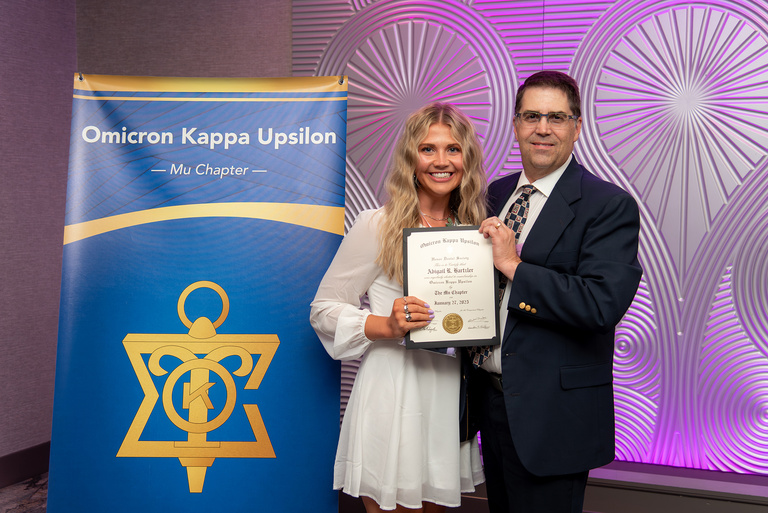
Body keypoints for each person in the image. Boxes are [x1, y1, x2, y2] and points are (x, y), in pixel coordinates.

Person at [473, 70, 643, 512]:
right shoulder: (497, 193)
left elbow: (599, 304)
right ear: (515, 125)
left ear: (577, 126)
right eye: (531, 116)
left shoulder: (607, 204)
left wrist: (513, 265)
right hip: (491, 403)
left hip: (552, 416)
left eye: (556, 117)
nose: (543, 129)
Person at [310, 103, 487, 512]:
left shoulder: (476, 232)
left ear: (467, 160)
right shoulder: (377, 225)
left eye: (453, 150)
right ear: (410, 158)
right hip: (393, 391)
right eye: (428, 149)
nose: (441, 161)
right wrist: (384, 325)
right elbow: (323, 309)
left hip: (449, 395)